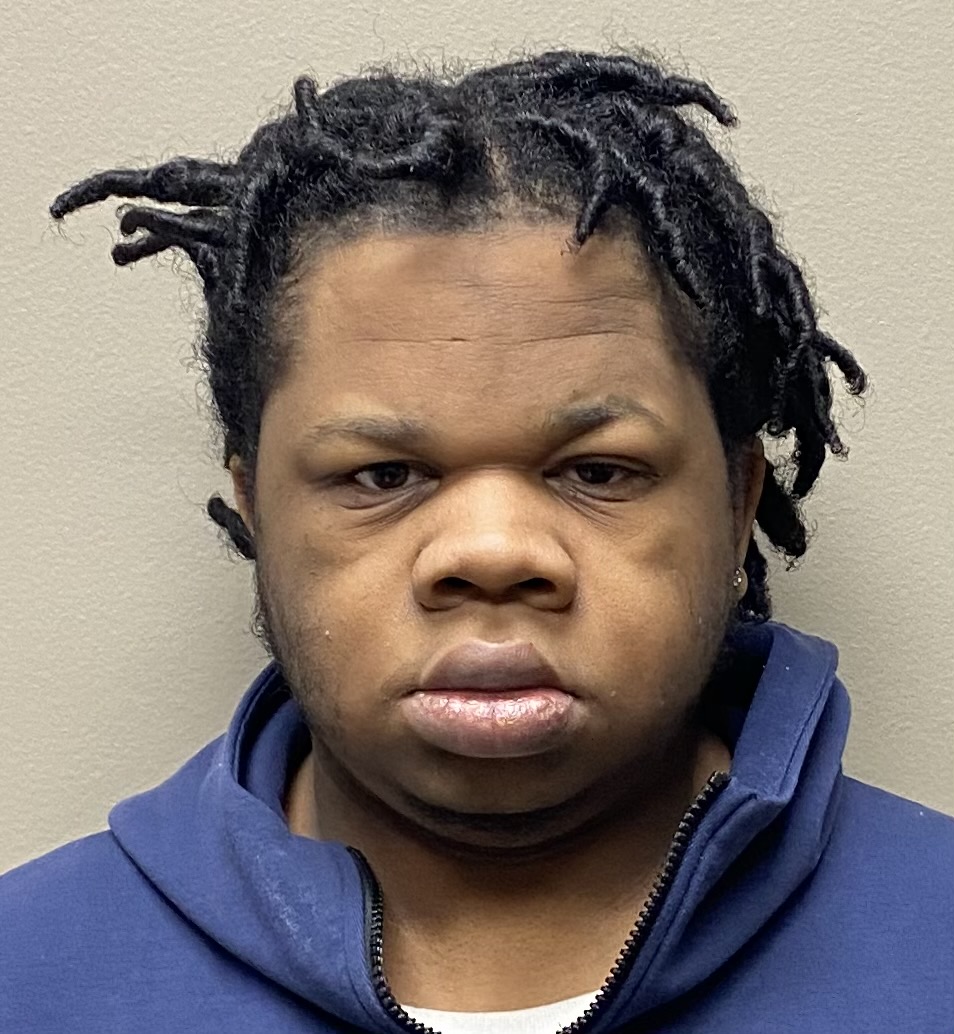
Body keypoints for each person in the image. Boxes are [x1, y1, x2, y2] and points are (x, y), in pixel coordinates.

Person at [1, 48, 951, 1034]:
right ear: (256, 508)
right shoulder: (27, 976)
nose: (493, 552)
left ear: (736, 499)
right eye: (382, 475)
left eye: (599, 471)